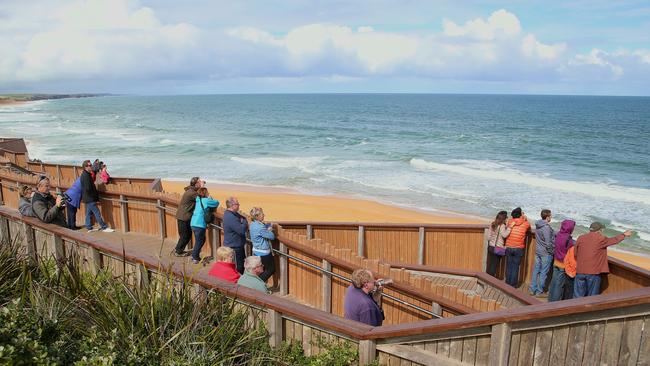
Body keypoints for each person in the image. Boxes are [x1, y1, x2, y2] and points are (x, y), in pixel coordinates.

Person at [573, 222, 632, 298]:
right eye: (602, 230)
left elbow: (575, 253)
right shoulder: (601, 239)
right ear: (599, 231)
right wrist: (624, 235)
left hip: (580, 271)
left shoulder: (581, 237)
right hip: (593, 272)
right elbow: (614, 240)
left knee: (577, 297)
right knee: (592, 298)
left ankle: (577, 309)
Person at [80, 160, 114, 233]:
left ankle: (88, 227)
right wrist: (93, 196)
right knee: (97, 212)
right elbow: (88, 188)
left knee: (88, 213)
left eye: (91, 164)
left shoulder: (86, 174)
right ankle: (104, 227)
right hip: (90, 198)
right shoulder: (85, 176)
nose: (91, 166)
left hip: (87, 198)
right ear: (85, 167)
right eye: (89, 165)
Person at [173, 177, 203, 256]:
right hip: (184, 217)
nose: (201, 183)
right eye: (200, 182)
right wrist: (202, 187)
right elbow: (202, 198)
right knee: (185, 235)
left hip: (182, 216)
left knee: (186, 235)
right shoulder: (192, 193)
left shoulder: (190, 190)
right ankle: (178, 251)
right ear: (196, 184)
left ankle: (178, 250)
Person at [548, 219, 576, 302]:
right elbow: (569, 252)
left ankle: (550, 300)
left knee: (553, 282)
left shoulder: (558, 235)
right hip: (563, 264)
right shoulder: (568, 239)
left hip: (556, 261)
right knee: (559, 285)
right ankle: (555, 303)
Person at [529, 209, 556, 296]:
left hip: (538, 251)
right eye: (551, 216)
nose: (551, 217)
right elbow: (548, 243)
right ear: (547, 217)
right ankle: (539, 291)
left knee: (536, 270)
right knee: (543, 272)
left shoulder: (538, 225)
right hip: (545, 253)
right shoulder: (546, 228)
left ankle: (532, 289)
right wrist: (552, 251)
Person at [189, 187, 219, 264]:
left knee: (200, 240)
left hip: (193, 222)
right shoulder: (206, 200)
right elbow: (216, 203)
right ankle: (195, 257)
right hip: (199, 224)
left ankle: (195, 255)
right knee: (200, 241)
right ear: (205, 193)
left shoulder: (198, 200)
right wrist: (210, 197)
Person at [504, 207, 531, 288]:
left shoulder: (509, 222)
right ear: (520, 215)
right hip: (518, 248)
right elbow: (529, 226)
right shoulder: (525, 223)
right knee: (515, 266)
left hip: (509, 246)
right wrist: (524, 218)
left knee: (509, 264)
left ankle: (507, 282)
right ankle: (513, 284)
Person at [249, 207, 275, 282]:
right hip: (263, 253)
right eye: (262, 214)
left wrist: (266, 228)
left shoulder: (253, 224)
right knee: (271, 269)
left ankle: (258, 285)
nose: (264, 215)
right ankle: (258, 284)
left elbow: (262, 230)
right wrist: (269, 229)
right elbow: (272, 236)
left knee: (260, 270)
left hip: (256, 250)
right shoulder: (260, 227)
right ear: (257, 216)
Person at [223, 197, 248, 274]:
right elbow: (241, 230)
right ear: (232, 205)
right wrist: (244, 222)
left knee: (241, 266)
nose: (239, 205)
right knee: (238, 268)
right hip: (234, 247)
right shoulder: (230, 216)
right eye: (237, 204)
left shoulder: (233, 214)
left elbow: (243, 217)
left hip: (237, 245)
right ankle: (236, 284)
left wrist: (243, 220)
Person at [486, 210, 509, 277]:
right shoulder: (502, 226)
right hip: (498, 247)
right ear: (503, 219)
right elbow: (504, 235)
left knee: (490, 264)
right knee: (494, 265)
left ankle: (487, 278)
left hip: (491, 247)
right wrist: (509, 228)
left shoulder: (493, 224)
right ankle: (491, 280)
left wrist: (492, 241)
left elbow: (488, 237)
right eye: (506, 218)